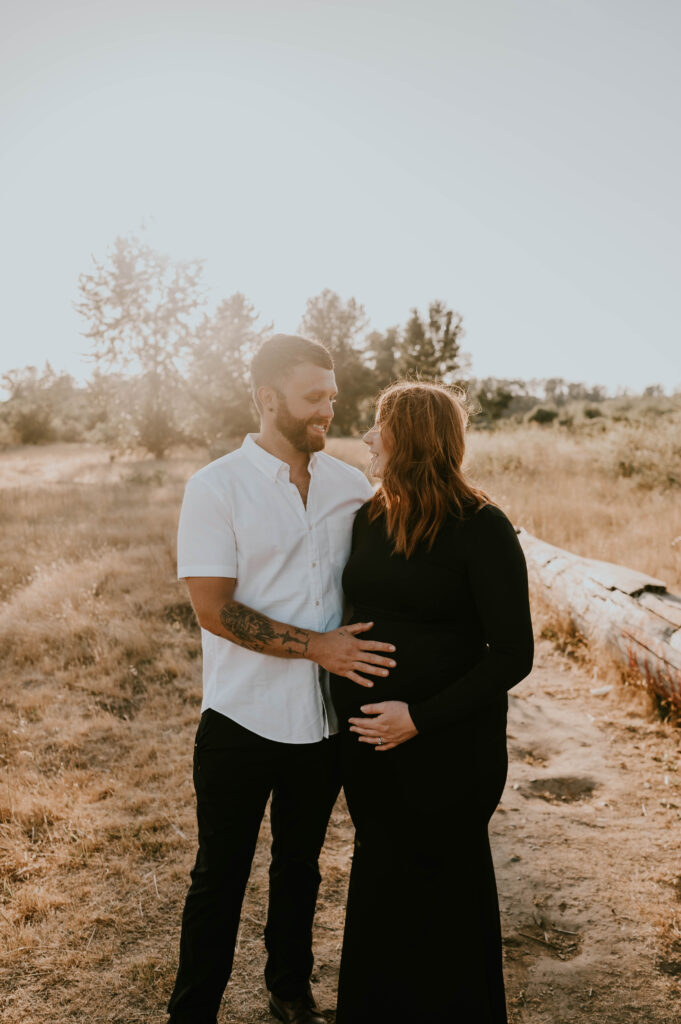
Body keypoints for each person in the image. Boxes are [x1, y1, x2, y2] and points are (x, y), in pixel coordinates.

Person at [167, 334, 397, 1024]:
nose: (329, 409)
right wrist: (314, 647)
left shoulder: (350, 486)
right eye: (314, 398)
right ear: (268, 400)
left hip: (325, 721)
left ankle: (289, 990)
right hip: (240, 718)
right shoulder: (215, 488)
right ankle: (191, 1012)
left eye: (332, 394)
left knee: (300, 867)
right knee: (219, 878)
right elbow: (213, 608)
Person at [330, 380, 534, 1024]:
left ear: (409, 438)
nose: (367, 437)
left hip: (450, 748)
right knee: (381, 879)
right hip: (370, 746)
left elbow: (512, 653)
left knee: (446, 887)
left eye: (378, 426)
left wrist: (417, 717)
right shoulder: (369, 516)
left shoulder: (482, 526)